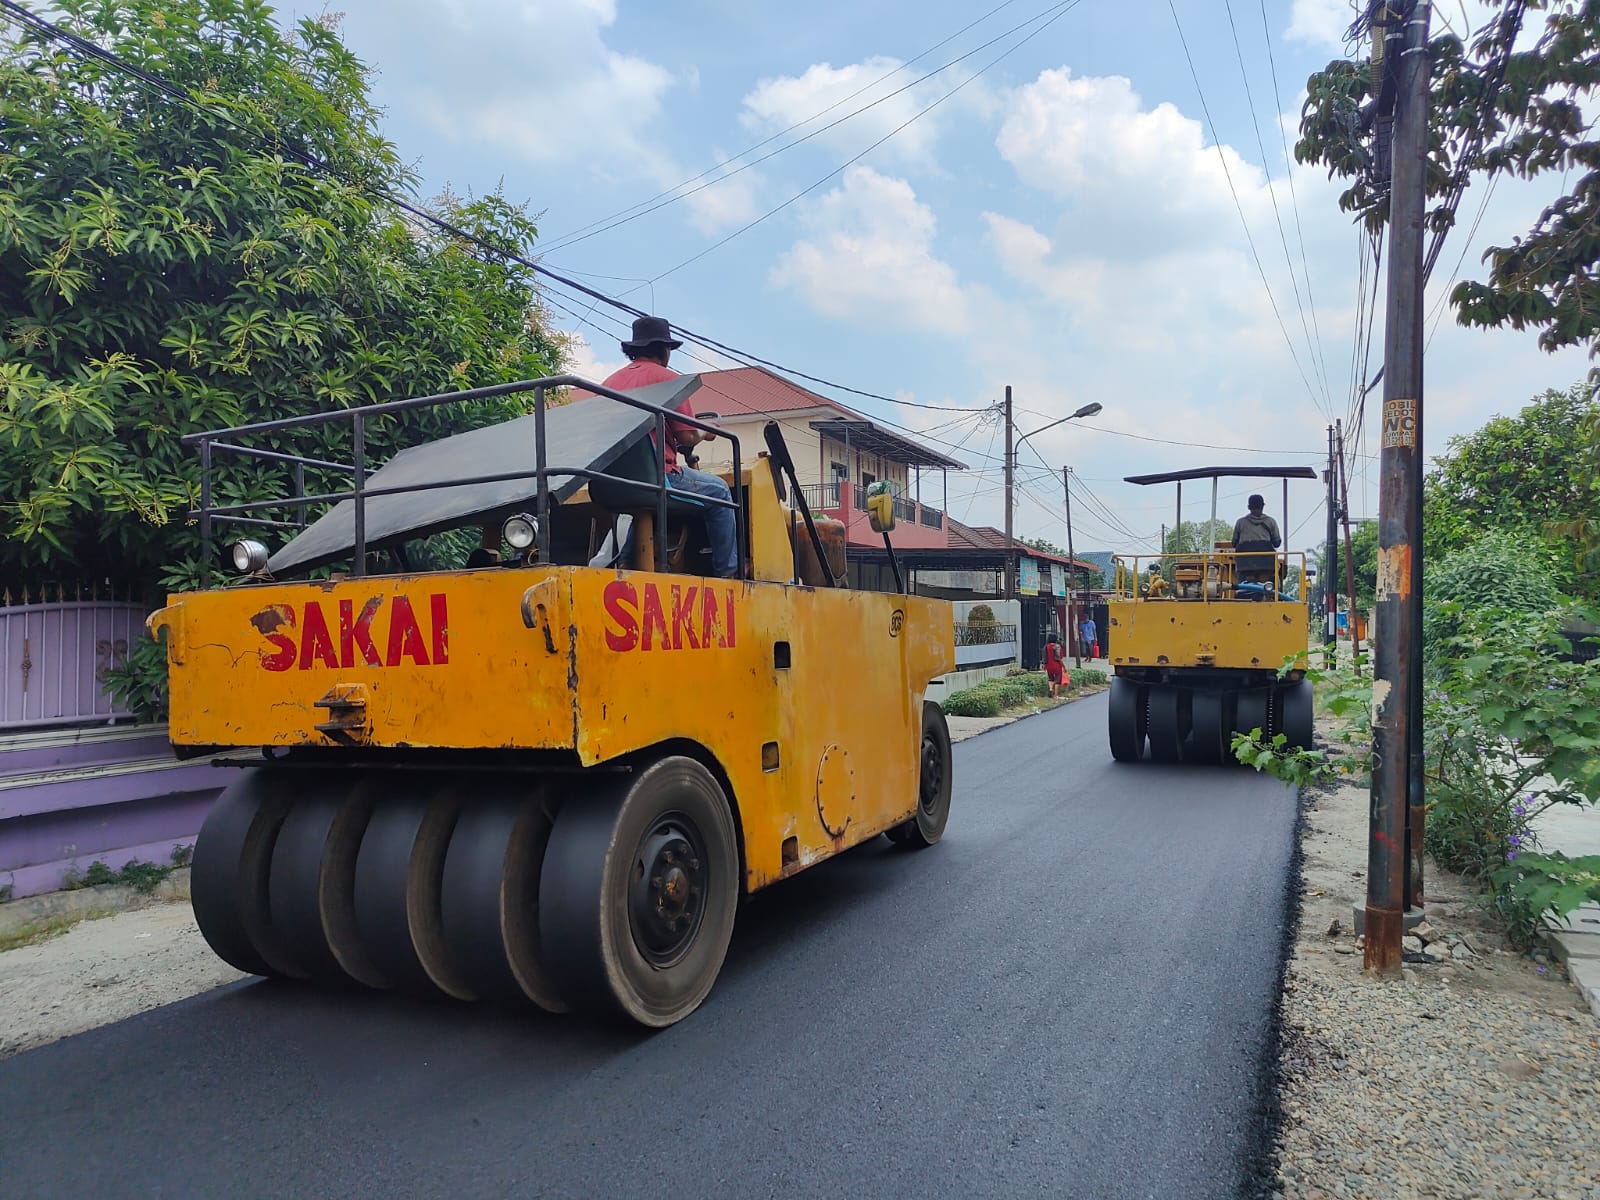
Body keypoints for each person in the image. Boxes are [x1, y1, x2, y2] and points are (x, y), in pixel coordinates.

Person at [596, 316, 738, 578]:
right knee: (719, 493)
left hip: (609, 481)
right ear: (665, 349)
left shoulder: (608, 384)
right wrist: (706, 431)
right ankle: (729, 574)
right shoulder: (668, 379)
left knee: (643, 506)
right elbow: (686, 437)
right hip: (657, 479)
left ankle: (627, 564)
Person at [1232, 493, 1282, 584]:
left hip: (1244, 565)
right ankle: (1270, 593)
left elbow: (1234, 542)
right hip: (1266, 566)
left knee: (1241, 581)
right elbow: (1277, 543)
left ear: (1249, 507)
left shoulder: (1240, 523)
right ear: (1262, 506)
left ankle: (1241, 590)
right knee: (1272, 582)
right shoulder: (1271, 522)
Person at [1044, 633, 1068, 699]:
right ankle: (1055, 695)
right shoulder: (1057, 646)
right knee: (1058, 680)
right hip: (1057, 665)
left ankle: (1051, 688)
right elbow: (1059, 658)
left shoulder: (1046, 646)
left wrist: (1044, 665)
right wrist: (1064, 667)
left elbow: (1045, 657)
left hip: (1048, 665)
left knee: (1050, 678)